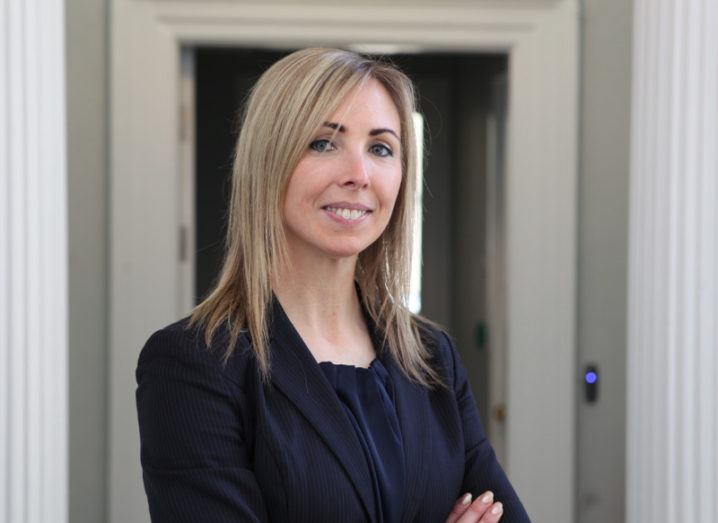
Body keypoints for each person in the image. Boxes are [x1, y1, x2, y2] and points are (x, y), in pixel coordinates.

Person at [135, 47, 530, 523]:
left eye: (381, 148)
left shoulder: (431, 357)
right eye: (324, 143)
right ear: (268, 160)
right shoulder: (195, 364)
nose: (359, 175)